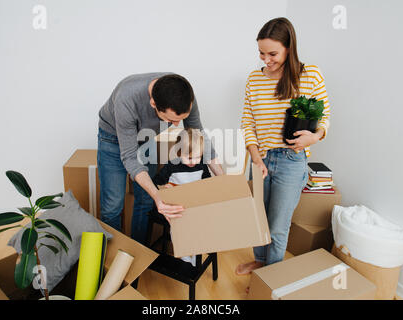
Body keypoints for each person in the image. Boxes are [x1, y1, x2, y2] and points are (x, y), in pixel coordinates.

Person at [236, 18, 331, 277]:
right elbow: (248, 121)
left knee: (277, 226)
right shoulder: (254, 79)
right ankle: (259, 262)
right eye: (261, 53)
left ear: (289, 48)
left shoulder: (309, 75)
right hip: (261, 159)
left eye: (273, 53)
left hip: (291, 161)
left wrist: (314, 137)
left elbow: (324, 118)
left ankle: (270, 277)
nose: (266, 59)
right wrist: (256, 159)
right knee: (258, 218)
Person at [97, 73, 223, 245]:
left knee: (146, 199)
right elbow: (130, 158)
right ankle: (112, 259)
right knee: (112, 206)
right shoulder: (127, 99)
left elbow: (199, 136)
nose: (177, 125)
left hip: (146, 138)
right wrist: (159, 196)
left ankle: (139, 252)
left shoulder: (184, 95)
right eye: (171, 120)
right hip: (113, 138)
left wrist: (223, 180)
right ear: (153, 104)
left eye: (182, 120)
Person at [152, 128, 211, 266]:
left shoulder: (201, 165)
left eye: (198, 156)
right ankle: (183, 253)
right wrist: (165, 187)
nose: (194, 161)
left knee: (200, 224)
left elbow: (208, 181)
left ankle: (196, 252)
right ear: (179, 153)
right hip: (177, 206)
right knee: (177, 225)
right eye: (189, 157)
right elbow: (156, 181)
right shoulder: (172, 165)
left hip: (195, 204)